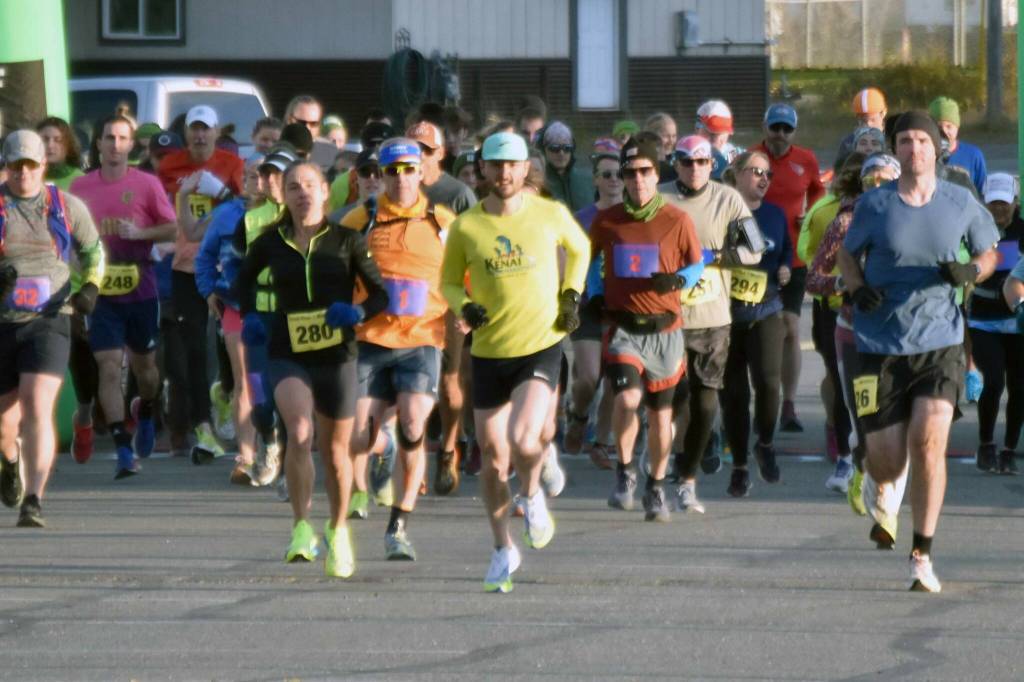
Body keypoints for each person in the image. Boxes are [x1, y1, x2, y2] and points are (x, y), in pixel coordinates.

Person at [836, 111, 999, 593]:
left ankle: (922, 553)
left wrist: (971, 273)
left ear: (936, 148)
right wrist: (856, 285)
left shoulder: (960, 201)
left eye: (922, 141)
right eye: (904, 141)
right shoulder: (875, 205)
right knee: (889, 460)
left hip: (940, 341)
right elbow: (848, 253)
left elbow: (990, 252)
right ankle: (871, 471)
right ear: (897, 150)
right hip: (878, 341)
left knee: (928, 442)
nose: (914, 149)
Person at [440, 131, 589, 593]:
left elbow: (581, 248)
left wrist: (571, 295)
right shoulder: (467, 226)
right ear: (482, 170)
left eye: (513, 165)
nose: (504, 173)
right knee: (491, 459)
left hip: (539, 344)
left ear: (526, 169)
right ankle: (503, 547)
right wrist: (465, 305)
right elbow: (446, 282)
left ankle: (532, 495)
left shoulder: (549, 213)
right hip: (489, 353)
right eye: (495, 165)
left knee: (526, 438)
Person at [235, 160, 388, 578]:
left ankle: (337, 531)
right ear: (283, 195)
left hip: (337, 354)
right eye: (293, 187)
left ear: (325, 191)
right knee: (299, 434)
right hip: (288, 351)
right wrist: (250, 315)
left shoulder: (347, 240)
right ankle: (301, 527)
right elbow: (242, 283)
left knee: (337, 452)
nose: (301, 193)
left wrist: (355, 312)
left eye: (309, 185)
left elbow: (381, 296)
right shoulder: (270, 241)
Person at [341, 138, 455, 559]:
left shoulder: (442, 220)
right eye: (393, 171)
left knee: (413, 424)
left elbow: (464, 269)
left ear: (422, 171)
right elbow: (336, 266)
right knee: (357, 436)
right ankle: (380, 446)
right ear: (380, 176)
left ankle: (399, 525)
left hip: (422, 338)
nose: (402, 178)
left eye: (409, 169)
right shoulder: (360, 219)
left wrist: (464, 307)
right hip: (370, 339)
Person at [592, 136, 705, 521]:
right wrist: (591, 294)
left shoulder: (677, 219)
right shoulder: (607, 221)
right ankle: (625, 472)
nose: (637, 180)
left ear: (657, 174)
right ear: (622, 177)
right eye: (629, 173)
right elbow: (591, 262)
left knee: (660, 417)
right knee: (626, 400)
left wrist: (676, 281)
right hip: (624, 329)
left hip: (666, 332)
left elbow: (697, 264)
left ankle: (655, 486)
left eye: (644, 172)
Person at [0, 130, 104, 526]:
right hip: (3, 324)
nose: (23, 173)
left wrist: (91, 287)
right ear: (6, 166)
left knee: (36, 404)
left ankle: (33, 499)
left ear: (43, 165)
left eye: (30, 165)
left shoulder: (65, 206)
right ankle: (9, 462)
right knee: (5, 424)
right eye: (15, 165)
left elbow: (93, 250)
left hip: (50, 318)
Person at [71, 115, 178, 479]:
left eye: (121, 138)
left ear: (132, 145)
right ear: (98, 144)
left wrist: (140, 231)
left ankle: (146, 407)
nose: (115, 145)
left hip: (141, 285)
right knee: (109, 364)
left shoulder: (146, 184)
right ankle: (121, 448)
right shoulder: (80, 187)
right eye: (108, 138)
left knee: (146, 370)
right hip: (100, 287)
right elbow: (67, 232)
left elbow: (172, 227)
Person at [659, 135, 763, 510]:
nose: (694, 168)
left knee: (705, 404)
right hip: (665, 316)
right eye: (686, 161)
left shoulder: (729, 199)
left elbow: (755, 250)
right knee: (670, 398)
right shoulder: (659, 197)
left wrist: (714, 256)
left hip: (712, 318)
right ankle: (660, 459)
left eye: (702, 162)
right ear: (676, 163)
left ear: (712, 165)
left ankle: (687, 477)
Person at [808, 152, 902, 512]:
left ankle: (886, 488)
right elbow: (815, 277)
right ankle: (860, 463)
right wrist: (845, 286)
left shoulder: (912, 220)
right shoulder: (846, 222)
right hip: (853, 330)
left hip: (901, 334)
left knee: (895, 415)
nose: (877, 188)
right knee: (864, 414)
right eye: (870, 181)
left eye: (884, 180)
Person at [158, 104, 244, 463]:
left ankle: (224, 393)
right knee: (193, 347)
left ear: (215, 132)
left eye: (205, 129)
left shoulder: (232, 165)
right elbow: (160, 208)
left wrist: (220, 192)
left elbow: (247, 207)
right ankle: (202, 425)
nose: (199, 136)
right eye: (194, 129)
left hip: (227, 268)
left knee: (229, 346)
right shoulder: (169, 166)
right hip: (185, 267)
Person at [195, 154, 270, 485]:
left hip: (277, 308)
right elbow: (205, 256)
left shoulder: (284, 215)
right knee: (244, 383)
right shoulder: (226, 215)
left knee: (272, 382)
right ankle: (245, 456)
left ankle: (273, 448)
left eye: (263, 175)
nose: (257, 181)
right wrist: (209, 289)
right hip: (236, 307)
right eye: (251, 175)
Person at [719, 151, 791, 497]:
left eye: (768, 174)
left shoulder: (776, 215)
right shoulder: (721, 212)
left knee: (768, 382)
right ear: (736, 174)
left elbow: (785, 255)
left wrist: (786, 269)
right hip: (725, 315)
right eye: (755, 172)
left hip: (765, 308)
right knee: (733, 395)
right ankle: (740, 466)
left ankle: (764, 441)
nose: (763, 178)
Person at [753, 103, 825, 433]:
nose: (780, 135)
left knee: (791, 328)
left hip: (794, 257)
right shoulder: (752, 159)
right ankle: (761, 398)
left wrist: (808, 215)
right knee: (755, 331)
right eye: (775, 128)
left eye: (786, 129)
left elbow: (820, 195)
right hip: (756, 259)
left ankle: (789, 404)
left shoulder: (805, 159)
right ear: (765, 127)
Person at [563, 143, 624, 470]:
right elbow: (566, 258)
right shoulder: (581, 218)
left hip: (622, 304)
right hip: (587, 304)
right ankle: (578, 416)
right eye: (607, 175)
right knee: (588, 376)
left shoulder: (633, 216)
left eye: (620, 174)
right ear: (596, 181)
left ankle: (602, 442)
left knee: (616, 378)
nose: (615, 180)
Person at [968, 173, 1023, 475]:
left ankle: (1009, 449)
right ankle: (986, 443)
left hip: (1018, 321)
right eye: (994, 203)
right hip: (984, 320)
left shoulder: (1023, 230)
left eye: (1005, 203)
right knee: (993, 382)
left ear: (1016, 202)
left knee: (1020, 386)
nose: (999, 209)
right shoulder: (976, 229)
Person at [405, 121, 477, 214]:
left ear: (440, 153)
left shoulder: (459, 194)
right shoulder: (397, 189)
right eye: (413, 150)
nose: (420, 155)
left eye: (427, 149)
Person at [929, 97, 987, 195]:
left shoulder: (973, 155)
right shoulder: (924, 154)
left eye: (949, 126)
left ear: (957, 127)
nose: (944, 131)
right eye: (938, 127)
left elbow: (983, 192)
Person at [538, 121, 592, 212]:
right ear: (544, 150)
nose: (561, 153)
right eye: (554, 148)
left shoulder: (588, 181)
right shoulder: (538, 182)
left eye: (567, 148)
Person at [695, 100, 743, 181]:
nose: (720, 139)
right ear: (697, 129)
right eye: (712, 133)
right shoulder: (687, 153)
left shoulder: (735, 155)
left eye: (724, 133)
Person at [835, 87, 887, 162]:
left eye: (873, 120)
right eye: (863, 121)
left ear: (883, 113)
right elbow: (841, 170)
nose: (868, 125)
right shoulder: (848, 143)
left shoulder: (894, 141)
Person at [36, 117, 84, 191]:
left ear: (68, 145)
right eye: (45, 139)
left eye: (57, 140)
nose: (50, 145)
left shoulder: (82, 180)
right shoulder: (27, 177)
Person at [643, 112, 678, 182]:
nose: (671, 141)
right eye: (666, 136)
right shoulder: (643, 160)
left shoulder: (678, 159)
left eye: (674, 136)